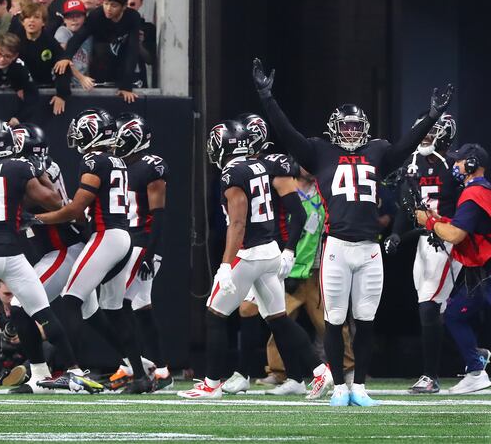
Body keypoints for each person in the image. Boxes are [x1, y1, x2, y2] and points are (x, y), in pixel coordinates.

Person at [252, 58, 453, 406]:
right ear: (334, 128)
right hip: (337, 247)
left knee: (366, 319)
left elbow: (405, 145)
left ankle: (358, 385)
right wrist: (267, 98)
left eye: (355, 126)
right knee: (333, 319)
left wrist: (431, 117)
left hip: (370, 248)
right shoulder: (319, 151)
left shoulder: (377, 150)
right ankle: (340, 387)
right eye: (344, 127)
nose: (350, 132)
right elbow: (287, 133)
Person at [177, 120, 323, 399]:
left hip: (249, 253)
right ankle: (319, 371)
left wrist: (224, 265)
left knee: (215, 315)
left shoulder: (233, 172)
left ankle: (211, 384)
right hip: (269, 250)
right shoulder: (261, 166)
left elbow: (238, 223)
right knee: (279, 319)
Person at [0, 119, 90, 395]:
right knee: (44, 313)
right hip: (9, 252)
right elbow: (53, 200)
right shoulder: (19, 167)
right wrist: (35, 177)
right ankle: (74, 371)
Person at [33, 108, 153, 394]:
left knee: (71, 300)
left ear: (92, 132)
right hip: (121, 236)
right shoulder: (117, 160)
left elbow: (75, 209)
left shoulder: (93, 160)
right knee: (113, 310)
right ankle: (140, 375)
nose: (76, 136)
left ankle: (71, 371)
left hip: (107, 236)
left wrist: (37, 219)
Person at [384, 113, 462, 394]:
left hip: (448, 240)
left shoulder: (453, 165)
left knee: (429, 306)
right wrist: (395, 232)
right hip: (424, 242)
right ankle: (475, 356)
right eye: (423, 129)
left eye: (432, 130)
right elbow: (408, 206)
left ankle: (431, 376)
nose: (426, 134)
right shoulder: (412, 163)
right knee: (432, 307)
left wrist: (460, 233)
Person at [104, 112, 172, 390]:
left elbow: (158, 215)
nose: (112, 145)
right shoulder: (118, 165)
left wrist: (148, 252)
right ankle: (160, 369)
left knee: (114, 303)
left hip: (141, 243)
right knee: (141, 306)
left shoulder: (150, 167)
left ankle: (136, 366)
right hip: (128, 241)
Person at [416, 143, 491, 394]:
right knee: (457, 313)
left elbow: (457, 234)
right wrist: (437, 221)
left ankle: (475, 368)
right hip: (481, 268)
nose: (455, 166)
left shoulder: (474, 193)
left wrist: (430, 222)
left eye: (459, 161)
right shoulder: (477, 190)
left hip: (485, 269)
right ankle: (475, 362)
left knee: (455, 315)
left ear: (471, 163)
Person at [53, 0, 141, 104]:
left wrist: (126, 86)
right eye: (105, 3)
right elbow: (79, 37)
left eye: (114, 6)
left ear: (124, 7)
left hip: (121, 61)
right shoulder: (97, 15)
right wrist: (66, 56)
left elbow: (132, 50)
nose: (108, 9)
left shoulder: (133, 18)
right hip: (99, 66)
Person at [18, 2, 71, 115]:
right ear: (22, 22)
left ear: (43, 22)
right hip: (19, 92)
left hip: (45, 90)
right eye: (27, 17)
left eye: (36, 17)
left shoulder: (50, 42)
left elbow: (63, 66)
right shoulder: (16, 41)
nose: (31, 20)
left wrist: (61, 94)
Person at [54, 0, 95, 89]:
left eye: (78, 16)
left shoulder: (89, 37)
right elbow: (62, 60)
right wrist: (81, 78)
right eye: (69, 16)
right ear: (64, 19)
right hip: (63, 85)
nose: (74, 19)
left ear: (84, 18)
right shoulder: (62, 32)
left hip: (81, 85)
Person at [127, 0, 156, 88]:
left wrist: (139, 44)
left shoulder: (148, 28)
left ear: (141, 2)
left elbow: (150, 60)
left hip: (138, 82)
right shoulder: (112, 26)